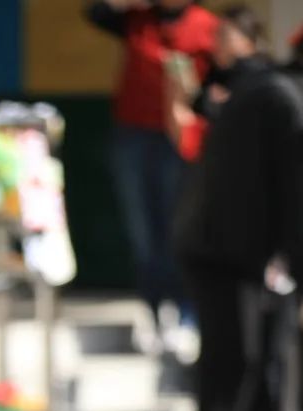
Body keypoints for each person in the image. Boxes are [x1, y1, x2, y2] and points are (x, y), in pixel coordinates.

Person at [174, 45, 303, 411]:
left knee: (258, 368)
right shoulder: (285, 101)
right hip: (229, 257)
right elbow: (297, 200)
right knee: (235, 370)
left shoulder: (269, 88)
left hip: (241, 255)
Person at [86, 0, 217, 357]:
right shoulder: (137, 18)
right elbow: (96, 12)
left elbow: (218, 80)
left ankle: (185, 314)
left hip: (179, 137)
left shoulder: (205, 24)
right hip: (133, 134)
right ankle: (153, 310)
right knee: (144, 231)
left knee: (180, 226)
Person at [165, 6, 268, 161]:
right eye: (214, 35)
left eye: (223, 35)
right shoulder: (216, 75)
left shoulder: (259, 81)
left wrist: (178, 102)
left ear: (248, 41)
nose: (215, 43)